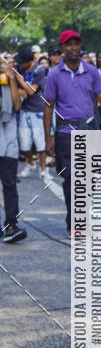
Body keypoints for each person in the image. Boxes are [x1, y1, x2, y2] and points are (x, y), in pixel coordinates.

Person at [43, 30, 101, 236]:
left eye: (76, 44)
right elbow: (49, 107)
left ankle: (82, 218)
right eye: (69, 44)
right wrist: (49, 138)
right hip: (66, 132)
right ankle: (74, 222)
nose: (73, 47)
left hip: (90, 129)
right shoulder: (55, 74)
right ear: (62, 47)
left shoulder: (92, 71)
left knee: (89, 178)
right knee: (72, 178)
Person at [0, 58, 27, 242]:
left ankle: (11, 226)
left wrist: (10, 79)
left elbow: (17, 106)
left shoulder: (7, 78)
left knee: (9, 185)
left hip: (8, 137)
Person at [13, 48, 49, 180]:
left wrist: (21, 81)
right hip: (24, 109)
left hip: (37, 110)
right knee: (24, 141)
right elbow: (19, 91)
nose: (19, 64)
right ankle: (30, 163)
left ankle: (44, 169)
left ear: (29, 62)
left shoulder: (39, 70)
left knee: (40, 141)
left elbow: (31, 91)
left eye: (22, 62)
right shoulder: (19, 68)